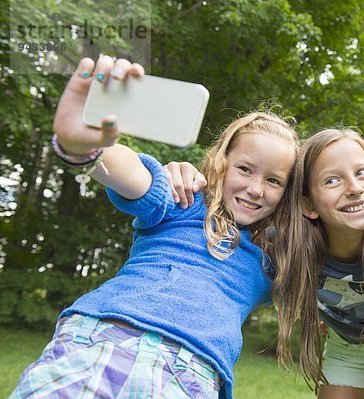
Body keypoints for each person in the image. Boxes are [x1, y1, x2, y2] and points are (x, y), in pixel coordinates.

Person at [9, 57, 298, 399]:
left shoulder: (276, 253)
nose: (255, 188)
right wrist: (87, 146)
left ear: (290, 193)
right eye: (245, 169)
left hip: (189, 370)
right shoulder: (186, 200)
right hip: (103, 338)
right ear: (222, 163)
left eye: (274, 180)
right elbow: (139, 180)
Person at [271, 129, 364, 399]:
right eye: (331, 180)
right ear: (308, 204)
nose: (354, 188)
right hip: (347, 348)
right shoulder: (289, 248)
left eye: (362, 172)